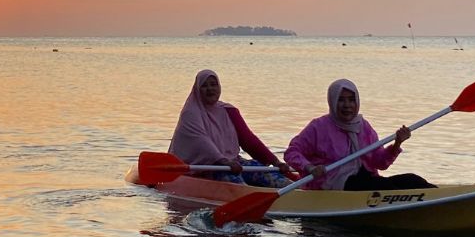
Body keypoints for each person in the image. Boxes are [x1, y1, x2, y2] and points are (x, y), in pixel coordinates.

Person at [285, 79, 436, 191]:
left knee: (412, 180)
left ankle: (441, 198)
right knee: (381, 186)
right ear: (333, 102)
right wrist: (310, 167)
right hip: (333, 184)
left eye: (351, 100)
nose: (347, 105)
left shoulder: (363, 127)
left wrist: (397, 143)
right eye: (341, 100)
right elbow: (291, 152)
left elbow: (380, 163)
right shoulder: (318, 127)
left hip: (366, 179)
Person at [169, 69, 299, 187]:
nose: (210, 89)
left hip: (233, 163)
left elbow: (249, 140)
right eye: (204, 86)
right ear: (197, 90)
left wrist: (275, 162)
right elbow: (201, 141)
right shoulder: (190, 113)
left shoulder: (228, 110)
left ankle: (295, 189)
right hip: (207, 168)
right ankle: (248, 194)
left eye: (213, 85)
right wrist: (223, 161)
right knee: (236, 181)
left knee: (265, 173)